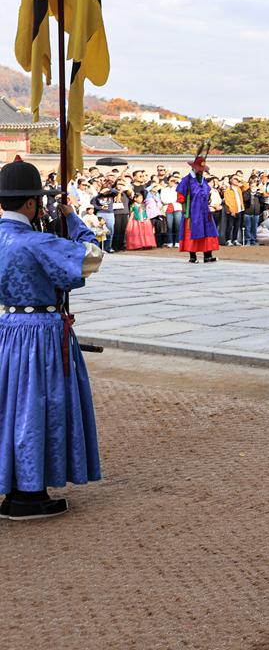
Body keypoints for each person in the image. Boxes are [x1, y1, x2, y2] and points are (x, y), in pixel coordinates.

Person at [0, 158, 104, 519]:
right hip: (40, 333)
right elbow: (91, 258)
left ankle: (13, 487)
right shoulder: (36, 242)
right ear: (31, 203)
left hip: (8, 328)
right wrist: (73, 221)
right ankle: (30, 493)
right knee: (37, 406)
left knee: (10, 407)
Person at [176, 150, 220, 263]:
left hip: (205, 211)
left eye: (203, 171)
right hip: (192, 211)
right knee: (192, 232)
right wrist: (186, 213)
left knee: (208, 231)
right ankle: (193, 256)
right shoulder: (186, 180)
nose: (201, 172)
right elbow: (181, 197)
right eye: (200, 170)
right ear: (194, 168)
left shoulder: (203, 180)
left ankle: (208, 255)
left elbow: (207, 192)